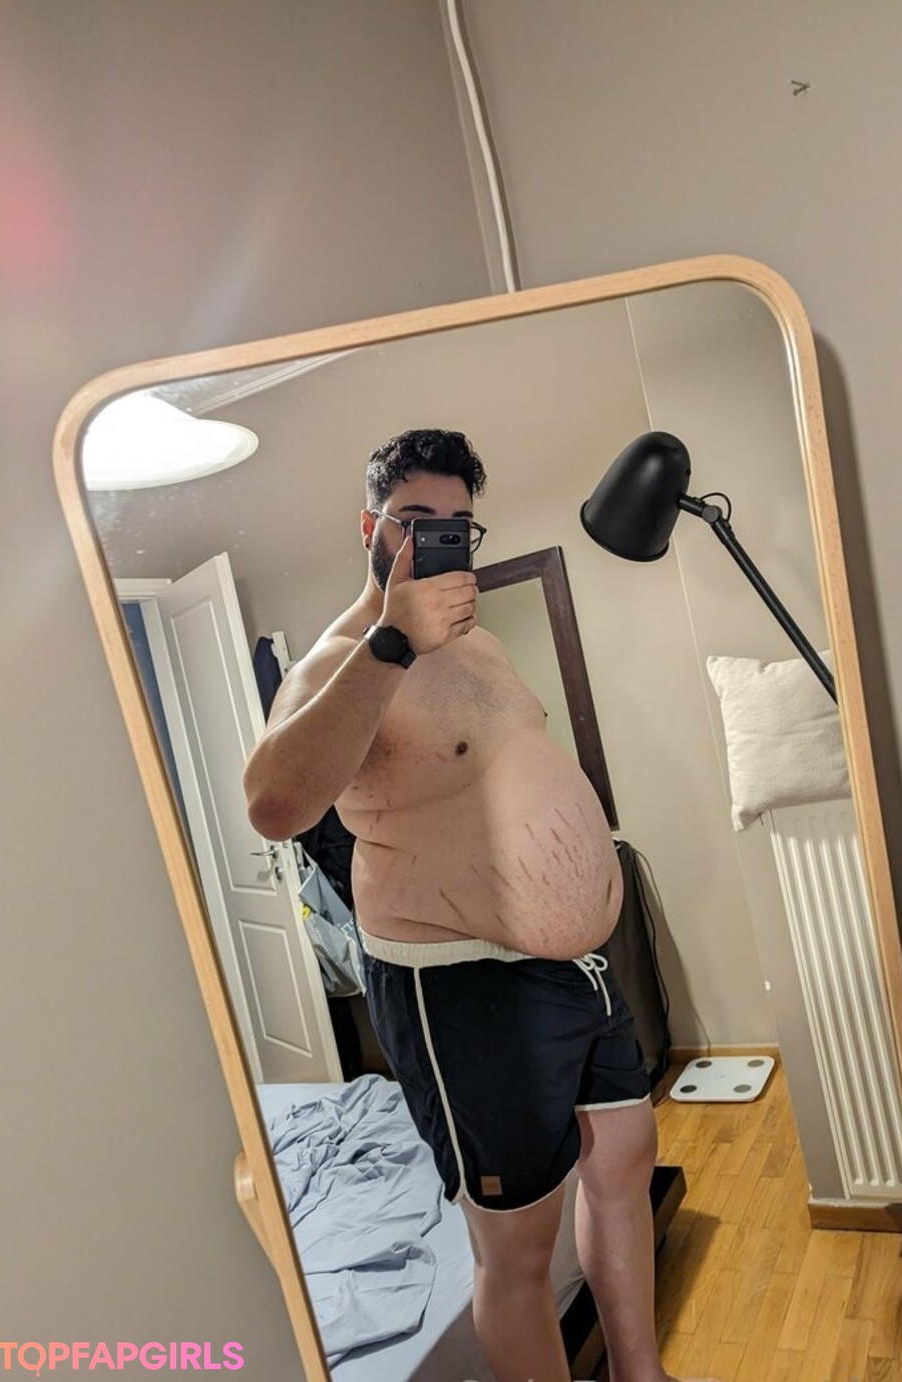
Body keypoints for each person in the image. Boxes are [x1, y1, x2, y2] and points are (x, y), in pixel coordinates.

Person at [244, 429, 677, 1382]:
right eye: (413, 522)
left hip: (575, 968)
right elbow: (275, 804)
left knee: (623, 1159)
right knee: (517, 1249)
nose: (436, 541)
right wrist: (392, 641)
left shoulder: (477, 643)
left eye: (456, 525)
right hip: (461, 987)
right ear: (369, 528)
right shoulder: (339, 662)